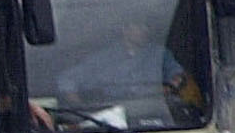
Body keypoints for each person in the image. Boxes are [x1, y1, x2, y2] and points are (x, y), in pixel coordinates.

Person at [58, 19, 188, 107]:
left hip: (156, 111)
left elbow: (177, 75)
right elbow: (67, 79)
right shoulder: (104, 58)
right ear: (124, 29)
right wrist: (80, 108)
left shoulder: (160, 54)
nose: (144, 30)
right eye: (138, 25)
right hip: (115, 113)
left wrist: (170, 87)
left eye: (146, 26)